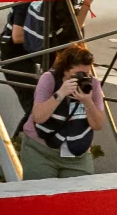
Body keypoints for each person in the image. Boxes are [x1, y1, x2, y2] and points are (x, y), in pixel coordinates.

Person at [19, 42, 105, 177]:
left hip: (76, 154)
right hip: (41, 149)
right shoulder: (49, 79)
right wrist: (60, 94)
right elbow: (38, 117)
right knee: (42, 193)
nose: (81, 79)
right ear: (64, 70)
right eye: (76, 75)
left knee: (79, 195)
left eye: (86, 74)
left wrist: (88, 102)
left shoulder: (93, 84)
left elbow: (98, 124)